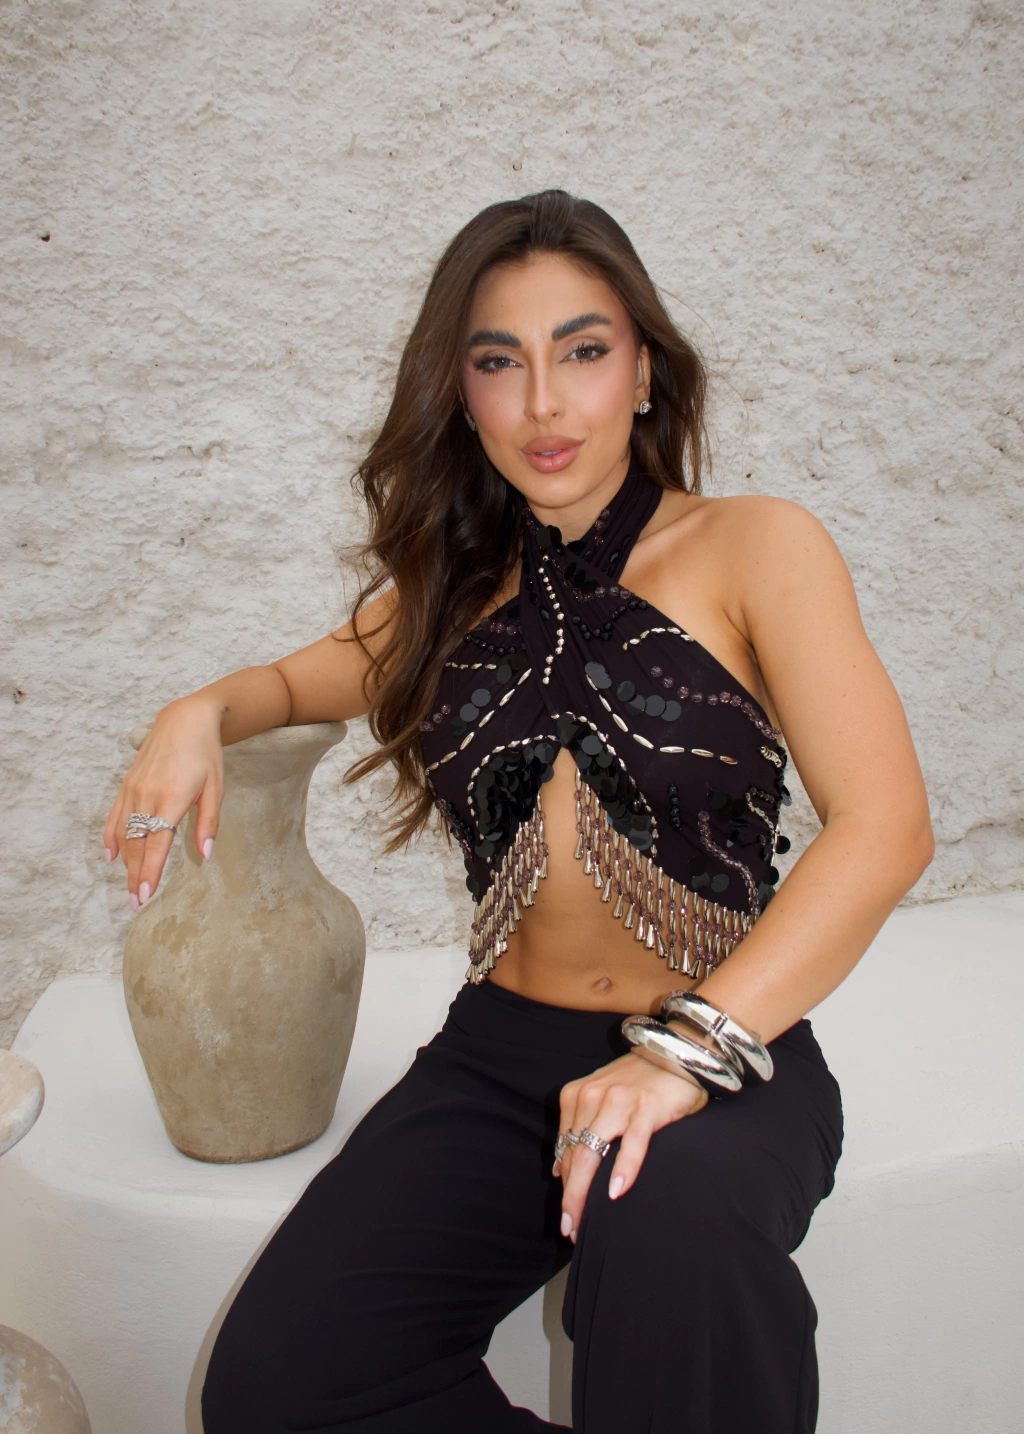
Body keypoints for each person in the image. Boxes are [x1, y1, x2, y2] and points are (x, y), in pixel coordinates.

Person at [104, 190, 933, 1433]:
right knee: (281, 1383)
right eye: (499, 363)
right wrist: (199, 709)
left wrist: (677, 1057)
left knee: (667, 1225)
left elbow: (886, 828)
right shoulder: (445, 597)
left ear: (643, 371)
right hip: (500, 1061)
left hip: (727, 1050)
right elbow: (290, 683)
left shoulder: (756, 547)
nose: (544, 403)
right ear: (461, 394)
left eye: (581, 351)